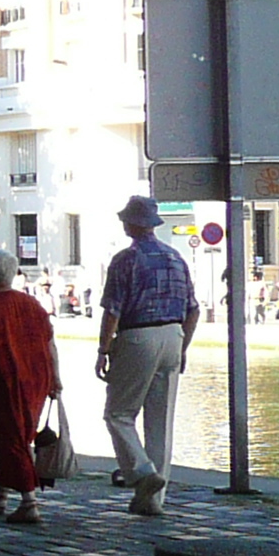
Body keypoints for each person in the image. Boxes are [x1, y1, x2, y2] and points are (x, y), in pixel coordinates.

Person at [97, 193, 199, 516]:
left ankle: (142, 472)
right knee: (161, 422)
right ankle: (152, 500)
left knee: (119, 414)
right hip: (174, 335)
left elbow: (112, 311)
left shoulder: (125, 260)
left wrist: (103, 349)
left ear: (130, 224)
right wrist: (182, 348)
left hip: (137, 336)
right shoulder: (176, 258)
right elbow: (194, 310)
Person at [0, 251, 61, 527]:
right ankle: (1, 494)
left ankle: (29, 502)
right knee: (20, 433)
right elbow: (50, 344)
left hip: (4, 381)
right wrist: (56, 378)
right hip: (38, 378)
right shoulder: (33, 304)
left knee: (12, 438)